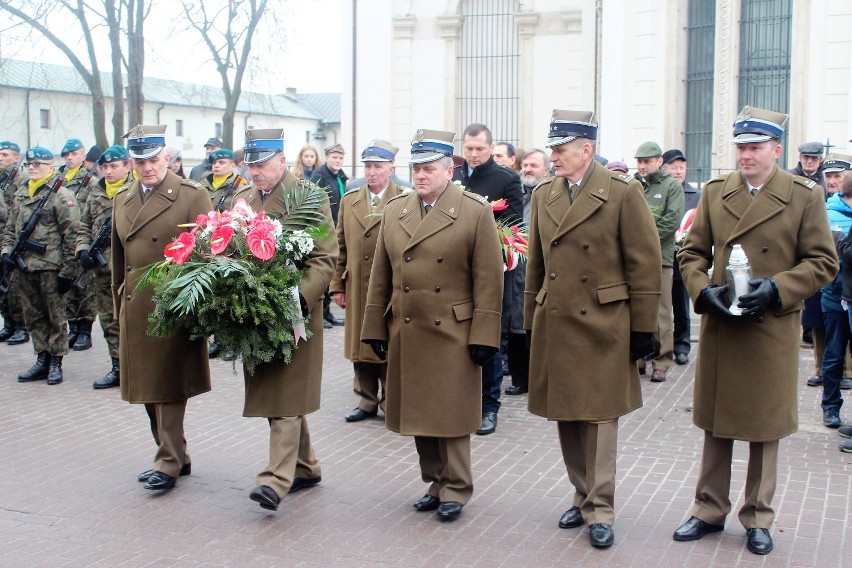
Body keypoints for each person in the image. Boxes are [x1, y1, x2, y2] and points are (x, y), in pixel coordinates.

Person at [673, 106, 837, 556]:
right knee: (717, 422)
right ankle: (708, 508)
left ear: (776, 150)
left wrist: (778, 288)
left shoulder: (804, 196)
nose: (745, 156)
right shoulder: (716, 192)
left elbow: (823, 261)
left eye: (755, 148)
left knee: (765, 427)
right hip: (725, 325)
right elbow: (691, 254)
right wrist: (701, 290)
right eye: (741, 148)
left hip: (771, 326)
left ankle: (758, 515)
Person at [524, 110, 661, 549]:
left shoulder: (622, 192)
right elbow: (537, 268)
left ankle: (601, 508)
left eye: (561, 150)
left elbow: (644, 263)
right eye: (552, 150)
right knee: (566, 413)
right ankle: (582, 493)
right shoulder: (545, 194)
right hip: (558, 318)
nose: (553, 157)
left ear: (587, 150)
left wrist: (645, 327)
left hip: (605, 321)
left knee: (600, 416)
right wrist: (530, 323)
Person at [361, 128, 503, 521]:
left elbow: (489, 280)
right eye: (416, 169)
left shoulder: (474, 211)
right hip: (408, 326)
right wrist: (374, 327)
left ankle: (456, 486)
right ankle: (435, 481)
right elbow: (381, 275)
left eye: (428, 169)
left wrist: (485, 335)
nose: (420, 176)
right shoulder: (397, 209)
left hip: (453, 330)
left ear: (448, 170)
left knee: (451, 413)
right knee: (420, 412)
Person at [231, 128, 337, 511]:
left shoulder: (309, 196)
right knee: (278, 394)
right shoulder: (243, 199)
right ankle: (306, 466)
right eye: (250, 165)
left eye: (262, 164)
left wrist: (298, 298)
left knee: (288, 394)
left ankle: (276, 479)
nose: (255, 172)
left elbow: (326, 257)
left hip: (296, 315)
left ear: (281, 159)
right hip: (255, 314)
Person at [112, 125, 212, 491]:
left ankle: (168, 461)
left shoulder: (190, 195)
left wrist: (198, 306)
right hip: (135, 303)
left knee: (168, 387)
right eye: (139, 161)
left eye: (153, 160)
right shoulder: (123, 198)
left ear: (167, 158)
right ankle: (175, 454)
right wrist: (119, 299)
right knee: (145, 389)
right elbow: (118, 258)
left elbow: (207, 254)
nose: (147, 168)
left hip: (172, 304)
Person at [454, 123, 523, 435]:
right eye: (468, 148)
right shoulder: (453, 176)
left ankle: (489, 405)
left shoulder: (506, 179)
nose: (473, 154)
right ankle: (463, 400)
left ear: (490, 147)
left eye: (479, 148)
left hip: (493, 273)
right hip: (455, 272)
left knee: (489, 337)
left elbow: (514, 231)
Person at [331, 140, 406, 422]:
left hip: (389, 288)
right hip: (356, 286)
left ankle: (390, 401)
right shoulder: (350, 200)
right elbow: (340, 246)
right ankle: (366, 401)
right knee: (359, 346)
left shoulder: (404, 199)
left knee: (386, 343)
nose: (371, 172)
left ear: (391, 168)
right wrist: (337, 286)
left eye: (378, 166)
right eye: (368, 166)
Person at [2, 147, 81, 385]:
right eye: (30, 164)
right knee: (33, 316)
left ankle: (56, 361)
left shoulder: (61, 195)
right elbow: (10, 229)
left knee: (55, 316)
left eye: (38, 164)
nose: (33, 168)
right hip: (25, 267)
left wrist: (68, 272)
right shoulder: (21, 194)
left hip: (51, 267)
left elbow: (72, 235)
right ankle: (42, 358)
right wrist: (6, 251)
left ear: (50, 167)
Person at [76, 145, 133, 389]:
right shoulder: (96, 192)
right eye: (105, 167)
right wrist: (82, 249)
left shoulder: (135, 191)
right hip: (102, 271)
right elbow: (84, 226)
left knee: (132, 321)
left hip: (130, 270)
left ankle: (135, 369)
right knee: (109, 320)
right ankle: (117, 367)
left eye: (114, 166)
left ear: (127, 166)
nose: (108, 172)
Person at [634, 141, 684, 382]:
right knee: (636, 310)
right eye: (640, 162)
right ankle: (638, 358)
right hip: (634, 259)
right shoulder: (633, 186)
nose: (642, 166)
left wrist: (644, 238)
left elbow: (672, 220)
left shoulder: (671, 186)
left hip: (660, 259)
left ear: (659, 162)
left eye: (647, 161)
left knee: (661, 312)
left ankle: (662, 360)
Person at [504, 148, 548, 396]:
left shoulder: (548, 195)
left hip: (537, 271)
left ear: (545, 169)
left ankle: (540, 380)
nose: (528, 170)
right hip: (514, 270)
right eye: (526, 166)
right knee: (515, 326)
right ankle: (521, 380)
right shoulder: (517, 194)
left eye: (534, 166)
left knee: (534, 327)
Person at [662, 148, 702, 366]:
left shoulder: (696, 195)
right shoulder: (662, 192)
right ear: (664, 168)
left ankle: (682, 345)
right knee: (661, 308)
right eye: (673, 167)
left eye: (681, 167)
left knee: (681, 306)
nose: (678, 172)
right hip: (663, 257)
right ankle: (659, 346)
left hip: (683, 259)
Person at [59, 138, 98, 351]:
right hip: (64, 242)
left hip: (83, 239)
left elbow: (93, 213)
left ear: (83, 156)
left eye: (74, 154)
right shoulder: (58, 180)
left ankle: (85, 330)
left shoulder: (90, 182)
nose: (69, 158)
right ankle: (72, 327)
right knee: (68, 286)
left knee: (85, 288)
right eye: (66, 154)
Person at [820, 170, 852, 428]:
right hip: (835, 293)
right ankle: (831, 406)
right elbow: (830, 252)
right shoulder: (830, 213)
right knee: (834, 354)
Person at [310, 144, 348, 329]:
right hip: (324, 229)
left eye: (340, 158)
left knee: (333, 271)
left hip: (337, 227)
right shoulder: (320, 175)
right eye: (334, 157)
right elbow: (314, 203)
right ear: (326, 158)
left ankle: (328, 313)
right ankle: (321, 314)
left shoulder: (340, 177)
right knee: (325, 271)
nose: (337, 161)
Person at [0, 140, 29, 345]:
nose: (0, 158)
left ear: (16, 158)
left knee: (14, 286)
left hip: (11, 239)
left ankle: (21, 326)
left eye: (5, 155)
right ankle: (8, 323)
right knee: (2, 286)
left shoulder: (21, 179)